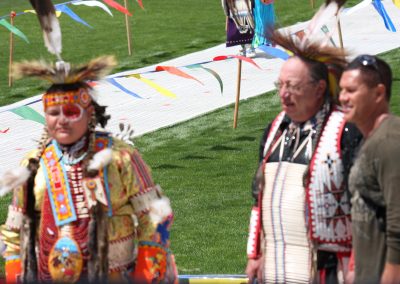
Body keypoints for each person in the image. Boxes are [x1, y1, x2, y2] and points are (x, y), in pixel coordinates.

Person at [0, 57, 177, 283]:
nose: (62, 120)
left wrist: (145, 274)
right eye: (54, 113)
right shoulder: (33, 165)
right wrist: (16, 274)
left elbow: (154, 217)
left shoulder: (120, 157)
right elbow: (14, 234)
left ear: (89, 113)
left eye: (71, 112)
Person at [245, 30, 362, 283]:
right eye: (281, 85)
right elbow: (258, 197)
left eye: (293, 87)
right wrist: (254, 254)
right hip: (275, 265)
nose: (283, 94)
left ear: (319, 89)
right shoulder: (275, 129)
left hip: (328, 270)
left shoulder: (345, 132)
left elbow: (365, 205)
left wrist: (356, 265)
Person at [339, 54, 400, 284]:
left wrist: (393, 273)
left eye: (351, 90)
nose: (343, 98)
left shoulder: (390, 141)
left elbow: (398, 217)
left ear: (378, 93)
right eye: (342, 90)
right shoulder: (371, 140)